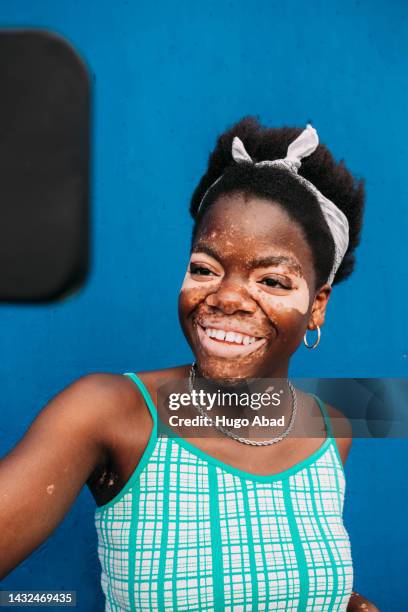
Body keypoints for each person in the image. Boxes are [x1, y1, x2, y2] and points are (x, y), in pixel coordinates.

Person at [0, 117, 379, 611]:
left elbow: (271, 574)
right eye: (205, 269)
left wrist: (343, 603)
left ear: (318, 305)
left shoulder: (332, 428)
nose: (227, 298)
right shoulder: (109, 413)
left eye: (272, 281)